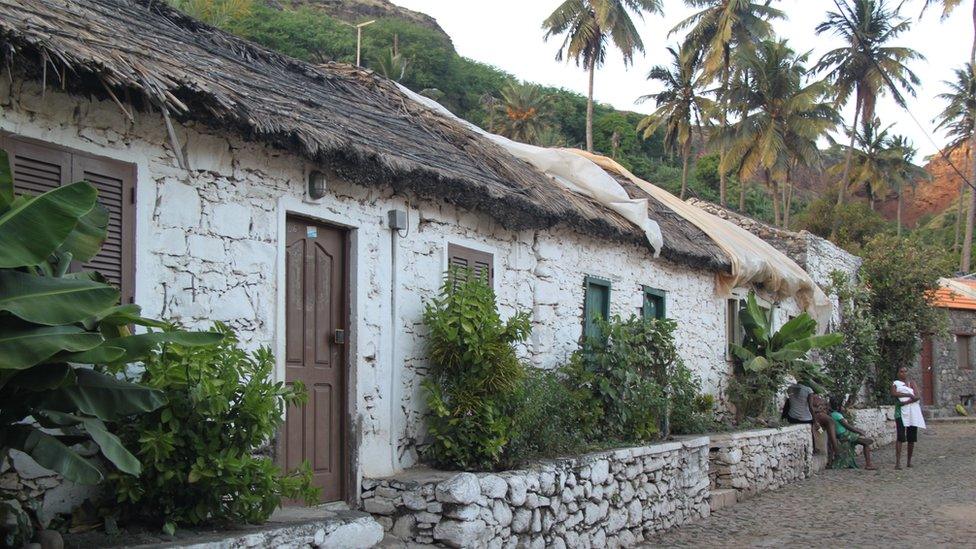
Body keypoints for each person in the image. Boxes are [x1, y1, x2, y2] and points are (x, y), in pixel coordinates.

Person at [890, 366, 926, 470]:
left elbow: (917, 396)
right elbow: (894, 393)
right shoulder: (895, 384)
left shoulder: (912, 383)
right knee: (900, 437)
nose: (903, 373)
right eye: (901, 371)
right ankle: (898, 462)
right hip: (900, 413)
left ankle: (909, 461)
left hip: (912, 412)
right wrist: (908, 394)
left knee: (911, 437)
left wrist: (906, 401)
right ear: (898, 373)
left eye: (905, 371)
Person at [828, 396, 876, 470]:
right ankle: (868, 464)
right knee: (866, 442)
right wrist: (859, 431)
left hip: (843, 434)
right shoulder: (837, 415)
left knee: (865, 440)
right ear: (839, 406)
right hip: (845, 435)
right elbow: (848, 426)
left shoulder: (832, 414)